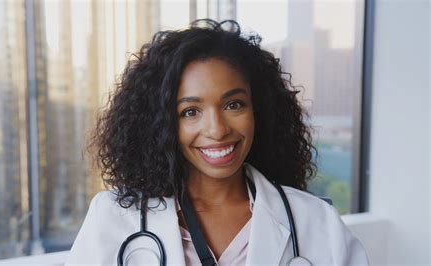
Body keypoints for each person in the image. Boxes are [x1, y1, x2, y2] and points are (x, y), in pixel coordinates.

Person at [65, 19, 369, 265]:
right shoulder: (114, 219)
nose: (217, 129)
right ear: (162, 123)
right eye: (190, 111)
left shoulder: (315, 221)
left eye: (233, 105)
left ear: (258, 109)